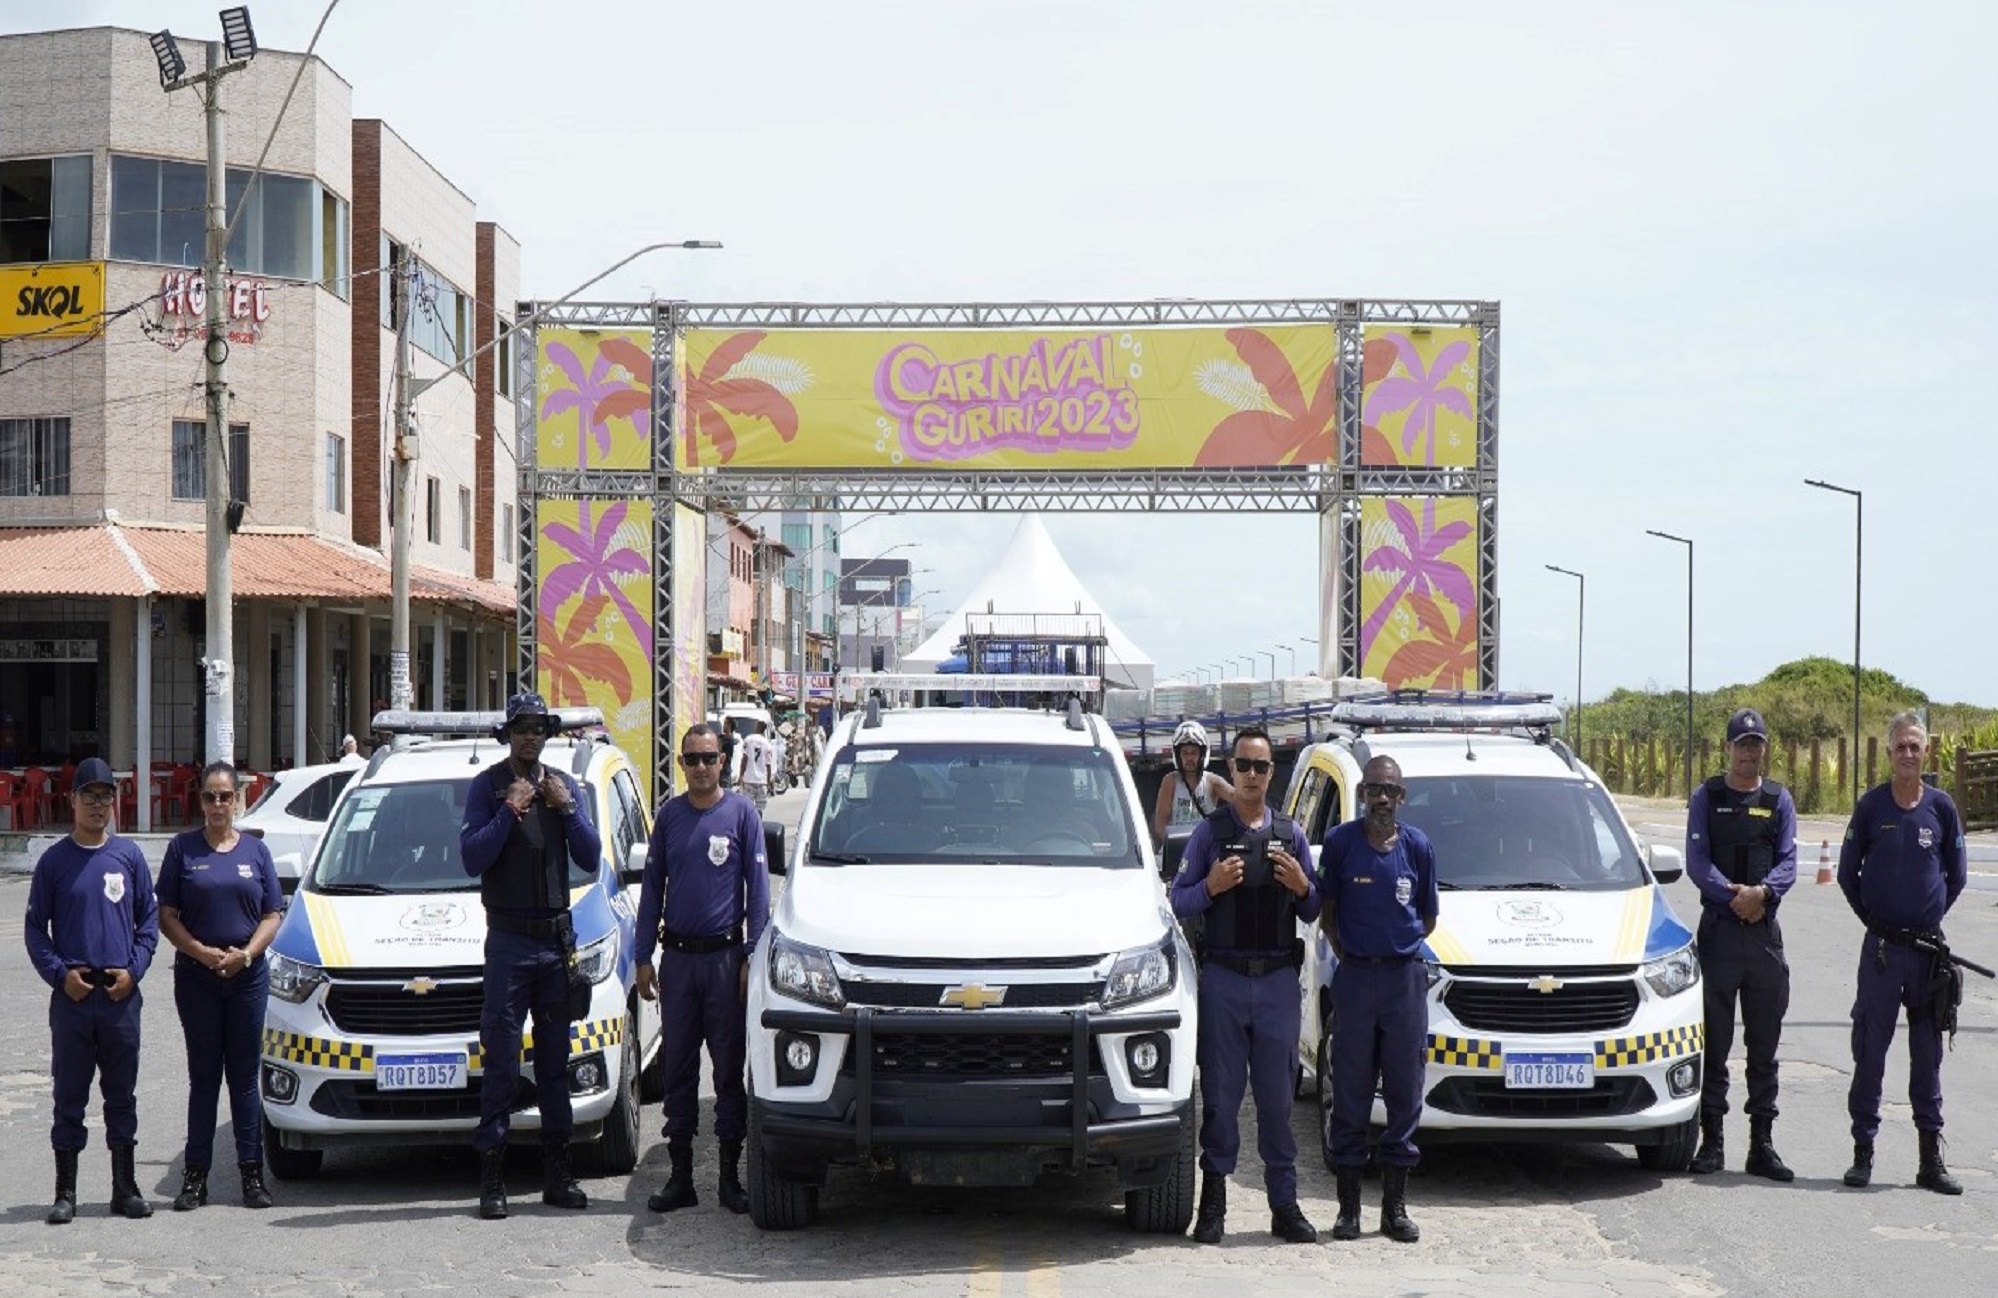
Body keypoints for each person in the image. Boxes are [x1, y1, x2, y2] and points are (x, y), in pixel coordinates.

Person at [1169, 726, 1320, 1245]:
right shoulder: (1210, 833)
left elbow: (1315, 905)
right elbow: (1177, 901)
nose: (1251, 775)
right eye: (1243, 765)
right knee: (1221, 1098)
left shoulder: (1290, 833)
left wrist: (1303, 886)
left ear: (1271, 772)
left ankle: (1284, 1205)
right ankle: (1213, 1207)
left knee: (1278, 1101)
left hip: (1277, 981)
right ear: (1230, 769)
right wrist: (1209, 887)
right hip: (1225, 982)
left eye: (1260, 766)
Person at [459, 693, 602, 1220]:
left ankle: (558, 1175)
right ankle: (492, 1179)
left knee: (554, 1066)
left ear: (547, 734)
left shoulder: (562, 787)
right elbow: (472, 857)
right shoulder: (489, 786)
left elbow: (590, 855)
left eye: (538, 728)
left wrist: (565, 809)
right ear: (508, 733)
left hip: (553, 943)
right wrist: (509, 809)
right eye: (520, 727)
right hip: (509, 943)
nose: (529, 736)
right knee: (500, 1058)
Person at [635, 722, 771, 1215]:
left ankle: (730, 1179)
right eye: (690, 759)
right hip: (679, 965)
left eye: (708, 758)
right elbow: (652, 891)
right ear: (682, 765)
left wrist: (752, 955)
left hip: (724, 963)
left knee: (729, 1073)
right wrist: (642, 955)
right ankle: (681, 1177)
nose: (700, 768)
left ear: (723, 761)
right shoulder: (669, 818)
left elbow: (759, 893)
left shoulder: (741, 815)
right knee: (678, 1071)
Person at [1835, 711, 1968, 1194]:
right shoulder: (1871, 808)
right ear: (1888, 754)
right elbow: (1848, 875)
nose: (1908, 754)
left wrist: (1927, 917)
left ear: (1926, 752)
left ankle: (1929, 1160)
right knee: (1870, 1052)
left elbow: (1957, 875)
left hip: (1927, 955)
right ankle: (1862, 1153)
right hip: (1883, 955)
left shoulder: (1942, 808)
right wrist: (1878, 922)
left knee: (1927, 1056)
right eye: (1900, 747)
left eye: (1916, 746)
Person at [24, 756, 160, 1223]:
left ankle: (125, 1188)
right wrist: (60, 975)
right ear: (73, 800)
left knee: (121, 1095)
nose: (98, 806)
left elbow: (149, 922)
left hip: (120, 996)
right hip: (74, 999)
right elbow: (34, 930)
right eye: (90, 796)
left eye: (106, 797)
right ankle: (66, 1192)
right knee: (70, 1095)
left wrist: (134, 971)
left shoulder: (129, 857)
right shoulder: (54, 862)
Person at [1318, 755, 1438, 1244]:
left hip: (1403, 982)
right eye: (1373, 789)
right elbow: (1328, 914)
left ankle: (1394, 1209)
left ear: (1402, 797)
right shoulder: (1341, 844)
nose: (1381, 798)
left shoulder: (1418, 848)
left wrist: (1393, 954)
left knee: (1405, 1094)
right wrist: (1359, 956)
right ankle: (1348, 1211)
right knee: (1349, 1092)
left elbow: (1427, 918)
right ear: (1363, 793)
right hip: (1356, 980)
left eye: (1390, 790)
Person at [157, 762, 284, 1210]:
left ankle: (252, 1175)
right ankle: (195, 1179)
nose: (217, 805)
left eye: (225, 796)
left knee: (245, 1080)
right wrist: (202, 953)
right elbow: (166, 916)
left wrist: (246, 954)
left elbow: (273, 914)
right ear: (201, 801)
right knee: (204, 1077)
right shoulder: (182, 850)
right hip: (198, 978)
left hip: (247, 976)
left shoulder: (255, 853)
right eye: (209, 797)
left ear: (238, 800)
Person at [1682, 707, 1797, 1180]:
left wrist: (1762, 894)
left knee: (1764, 1047)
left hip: (1763, 937)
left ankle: (1762, 1145)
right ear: (1727, 749)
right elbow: (1697, 860)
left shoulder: (1778, 800)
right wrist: (1734, 897)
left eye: (1756, 744)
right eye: (1741, 744)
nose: (1749, 752)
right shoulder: (1707, 797)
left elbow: (1790, 860)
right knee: (1715, 1042)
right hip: (1721, 934)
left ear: (1765, 749)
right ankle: (1712, 1142)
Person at [1151, 719, 1235, 846]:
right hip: (1179, 850)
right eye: (1185, 753)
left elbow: (1240, 799)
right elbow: (1160, 826)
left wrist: (1237, 774)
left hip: (1205, 850)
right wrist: (1178, 846)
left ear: (1202, 755)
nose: (1189, 758)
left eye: (1194, 753)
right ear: (1178, 756)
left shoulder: (1211, 781)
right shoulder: (1170, 781)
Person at [738, 720, 774, 812]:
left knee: (748, 809)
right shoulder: (767, 744)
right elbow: (768, 765)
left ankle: (749, 826)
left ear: (757, 727)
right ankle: (758, 825)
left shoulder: (748, 740)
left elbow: (744, 759)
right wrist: (769, 782)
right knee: (759, 810)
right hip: (761, 782)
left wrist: (741, 775)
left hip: (749, 780)